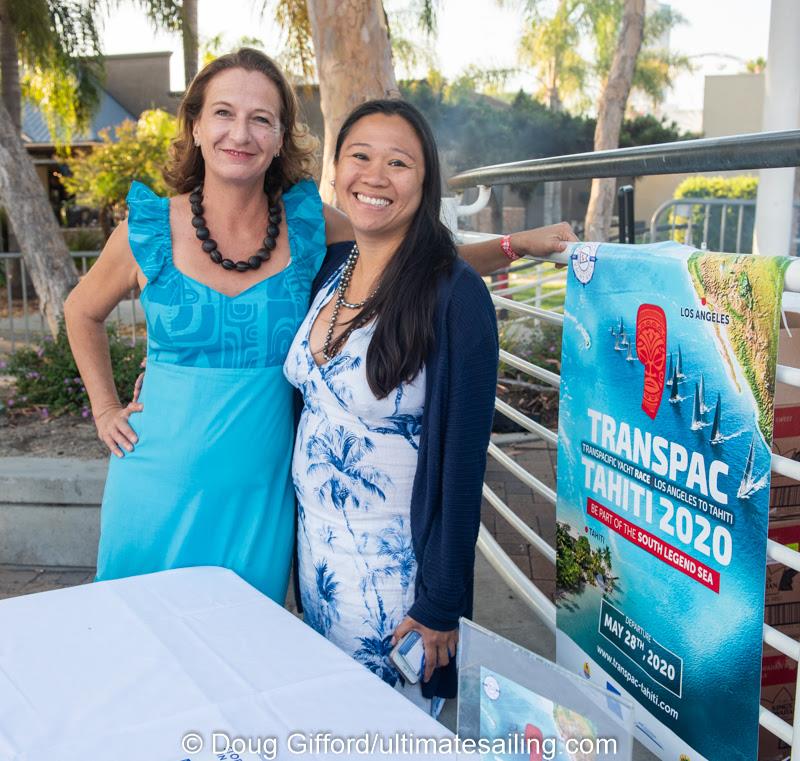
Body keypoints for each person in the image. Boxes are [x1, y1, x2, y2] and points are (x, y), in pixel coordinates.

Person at [65, 47, 575, 605]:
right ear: (195, 125)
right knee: (140, 643)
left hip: (261, 493)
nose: (241, 132)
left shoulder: (307, 226)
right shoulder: (149, 229)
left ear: (281, 137)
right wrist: (105, 407)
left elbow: (413, 253)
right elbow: (81, 310)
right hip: (154, 480)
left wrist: (516, 246)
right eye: (223, 113)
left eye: (261, 119)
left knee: (246, 649)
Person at [284, 99, 500, 715]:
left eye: (398, 162)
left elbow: (463, 469)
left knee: (384, 735)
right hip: (316, 560)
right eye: (360, 156)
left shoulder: (454, 297)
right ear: (337, 170)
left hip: (393, 583)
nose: (375, 176)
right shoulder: (329, 267)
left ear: (425, 182)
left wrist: (440, 605)